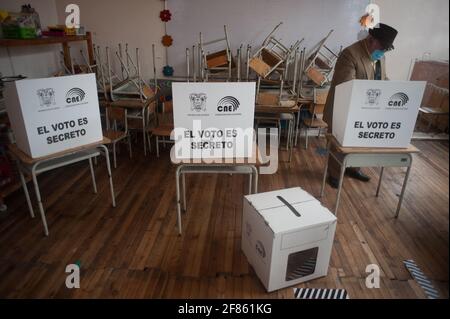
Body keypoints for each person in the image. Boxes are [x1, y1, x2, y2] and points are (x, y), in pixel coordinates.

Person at [323, 23, 398, 188]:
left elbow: (382, 77)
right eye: (383, 46)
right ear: (371, 39)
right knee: (339, 143)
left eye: (387, 48)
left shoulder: (380, 56)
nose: (384, 51)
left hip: (366, 109)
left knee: (360, 141)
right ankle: (334, 174)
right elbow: (345, 86)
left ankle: (353, 168)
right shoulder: (350, 54)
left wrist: (393, 89)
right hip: (343, 109)